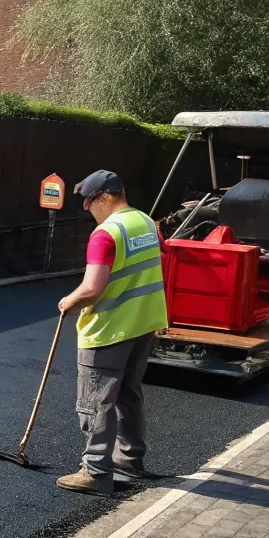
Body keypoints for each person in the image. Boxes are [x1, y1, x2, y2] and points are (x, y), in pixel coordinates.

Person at [55, 170, 169, 495]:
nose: (89, 211)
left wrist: (68, 301)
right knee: (129, 393)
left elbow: (92, 289)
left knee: (95, 400)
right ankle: (130, 459)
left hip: (110, 329)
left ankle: (95, 471)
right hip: (143, 325)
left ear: (104, 198)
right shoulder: (145, 222)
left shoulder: (105, 234)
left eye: (89, 204)